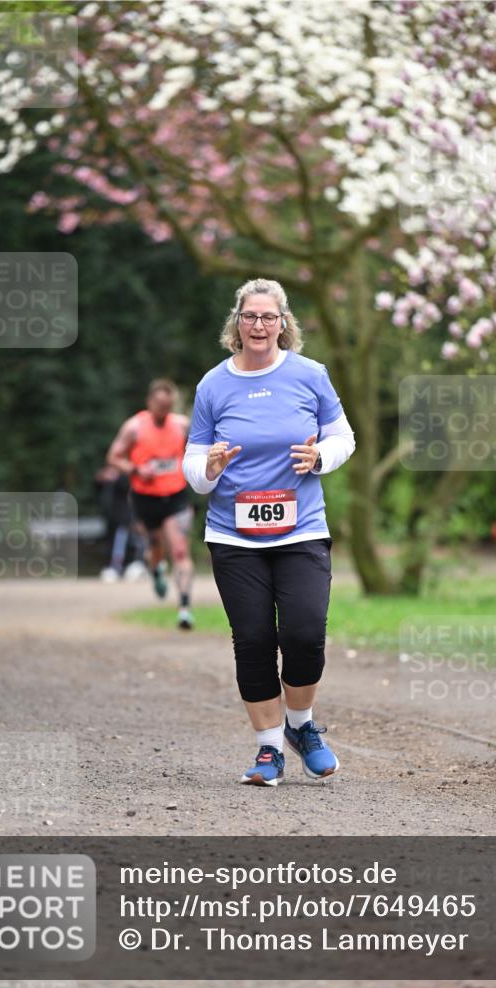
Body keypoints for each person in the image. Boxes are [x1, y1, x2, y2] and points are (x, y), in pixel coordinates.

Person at [183, 277, 355, 787]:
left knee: (304, 633)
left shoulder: (310, 375)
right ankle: (268, 750)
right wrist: (210, 465)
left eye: (269, 317)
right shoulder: (213, 385)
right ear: (236, 324)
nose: (259, 325)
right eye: (250, 316)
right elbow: (192, 467)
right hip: (234, 537)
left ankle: (301, 726)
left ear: (284, 324)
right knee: (253, 640)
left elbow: (343, 436)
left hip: (300, 528)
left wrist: (320, 456)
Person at [107, 378, 196, 628]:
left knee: (179, 550)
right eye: (158, 406)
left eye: (167, 407)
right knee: (153, 549)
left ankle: (185, 609)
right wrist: (135, 469)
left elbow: (198, 450)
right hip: (145, 498)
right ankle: (156, 568)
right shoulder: (134, 427)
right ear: (149, 403)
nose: (163, 412)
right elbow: (113, 457)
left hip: (175, 496)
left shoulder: (181, 425)